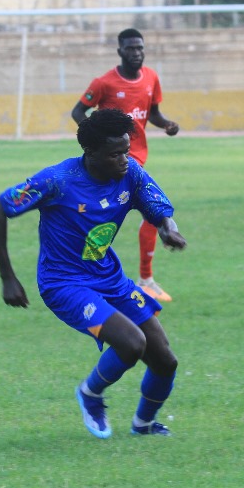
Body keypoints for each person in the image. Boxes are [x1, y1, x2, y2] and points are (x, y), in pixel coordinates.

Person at [0, 108, 186, 439]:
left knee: (165, 361)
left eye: (126, 149)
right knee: (132, 344)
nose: (125, 159)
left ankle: (144, 425)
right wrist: (7, 276)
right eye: (115, 153)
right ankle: (90, 394)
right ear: (90, 153)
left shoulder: (130, 173)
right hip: (64, 284)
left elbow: (159, 210)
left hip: (111, 279)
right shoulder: (57, 180)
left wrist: (168, 230)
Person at [72, 28, 180, 302]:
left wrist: (165, 123)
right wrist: (96, 140)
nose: (137, 53)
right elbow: (77, 111)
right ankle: (95, 276)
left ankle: (145, 279)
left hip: (136, 158)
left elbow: (152, 112)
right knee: (103, 214)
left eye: (140, 48)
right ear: (120, 51)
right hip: (112, 161)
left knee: (149, 211)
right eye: (131, 48)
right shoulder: (104, 83)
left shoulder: (151, 78)